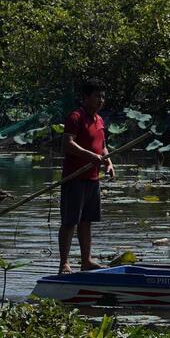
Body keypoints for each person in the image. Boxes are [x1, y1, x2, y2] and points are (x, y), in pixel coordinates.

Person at [58, 80, 114, 275]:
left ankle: (86, 261)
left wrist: (108, 162)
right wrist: (91, 156)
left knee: (86, 221)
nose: (101, 100)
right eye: (97, 96)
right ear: (86, 97)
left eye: (103, 96)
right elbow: (68, 144)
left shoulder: (99, 119)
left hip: (92, 178)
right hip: (75, 177)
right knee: (69, 221)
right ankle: (64, 264)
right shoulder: (76, 117)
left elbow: (102, 145)